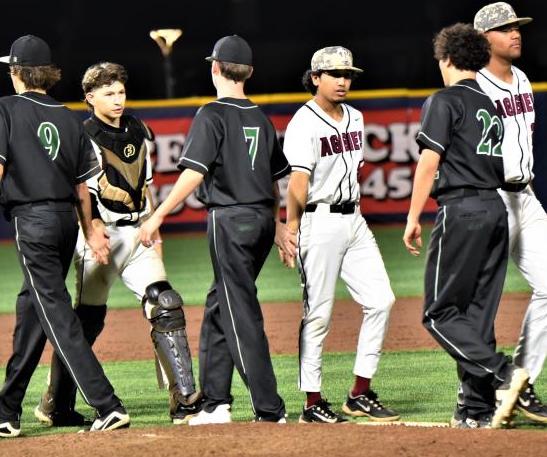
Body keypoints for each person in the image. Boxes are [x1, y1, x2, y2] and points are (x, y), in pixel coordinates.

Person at [0, 35, 129, 438]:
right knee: (32, 312)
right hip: (63, 221)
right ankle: (7, 410)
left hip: (32, 221)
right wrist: (87, 228)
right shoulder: (70, 117)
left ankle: (107, 404)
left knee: (54, 311)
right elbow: (82, 186)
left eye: (10, 68)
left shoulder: (4, 108)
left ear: (18, 72)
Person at [34, 62, 202, 427]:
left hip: (137, 232)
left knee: (166, 303)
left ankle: (185, 401)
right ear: (90, 98)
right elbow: (81, 192)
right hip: (100, 237)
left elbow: (145, 188)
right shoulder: (82, 134)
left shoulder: (138, 129)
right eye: (108, 93)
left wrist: (155, 235)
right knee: (85, 324)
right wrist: (92, 231)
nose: (117, 99)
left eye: (121, 91)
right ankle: (56, 403)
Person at [139, 35, 294, 424]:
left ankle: (270, 408)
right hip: (258, 220)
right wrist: (275, 224)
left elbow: (195, 173)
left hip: (230, 221)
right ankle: (216, 402)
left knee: (240, 311)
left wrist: (158, 216)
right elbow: (274, 179)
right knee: (219, 306)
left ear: (215, 68)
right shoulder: (260, 115)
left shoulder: (212, 113)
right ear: (250, 72)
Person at [403, 23, 529, 429]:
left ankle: (505, 375)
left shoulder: (443, 100)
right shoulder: (491, 103)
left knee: (438, 314)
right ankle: (475, 410)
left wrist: (412, 217)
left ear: (448, 59)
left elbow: (429, 164)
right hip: (495, 208)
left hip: (463, 209)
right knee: (476, 315)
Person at [282, 47, 399, 424]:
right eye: (334, 73)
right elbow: (298, 182)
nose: (343, 80)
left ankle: (359, 393)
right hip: (318, 222)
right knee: (318, 314)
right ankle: (312, 403)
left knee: (381, 300)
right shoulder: (304, 122)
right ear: (315, 77)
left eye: (347, 74)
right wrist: (292, 228)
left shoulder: (356, 117)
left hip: (354, 219)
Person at [473, 2, 547, 424]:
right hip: (489, 198)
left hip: (524, 197)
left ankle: (520, 381)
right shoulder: (473, 87)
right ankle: (478, 394)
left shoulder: (523, 79)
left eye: (517, 27)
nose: (515, 34)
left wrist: (528, 191)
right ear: (482, 40)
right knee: (482, 301)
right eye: (505, 29)